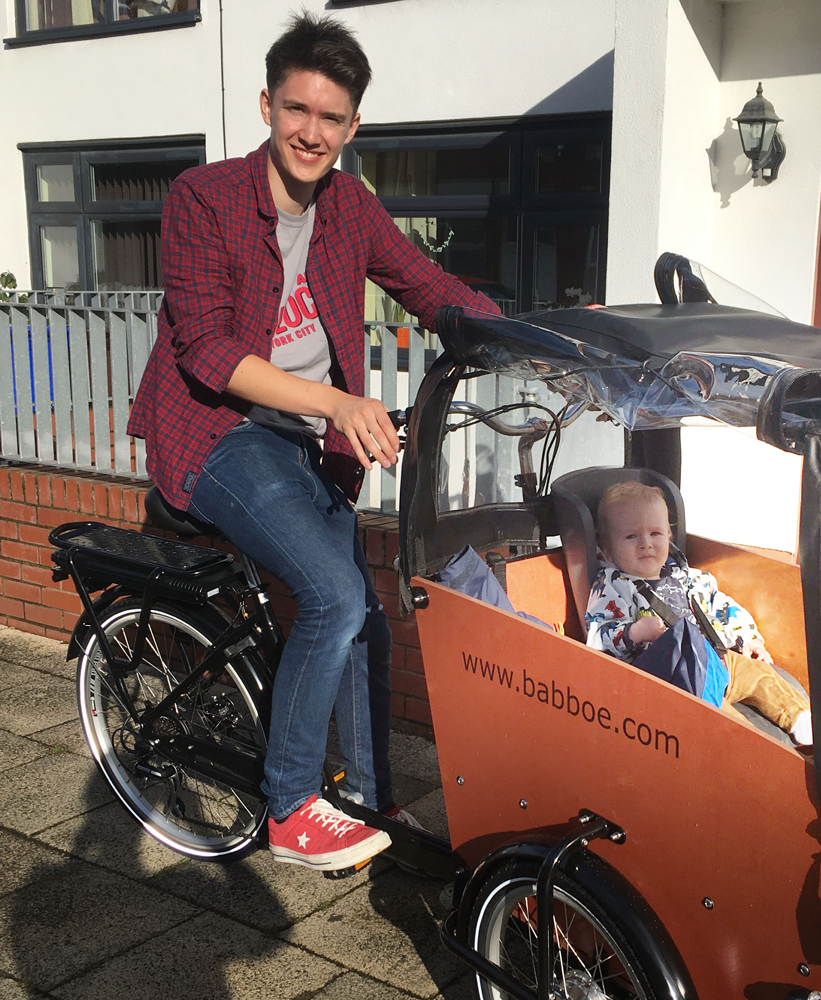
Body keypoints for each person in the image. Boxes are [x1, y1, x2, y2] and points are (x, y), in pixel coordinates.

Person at [128, 13, 499, 871]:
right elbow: (209, 350)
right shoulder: (203, 197)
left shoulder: (352, 206)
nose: (311, 132)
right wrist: (335, 403)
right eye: (297, 110)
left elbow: (428, 285)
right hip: (216, 431)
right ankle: (292, 803)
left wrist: (541, 337)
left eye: (331, 119)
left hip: (304, 441)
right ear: (267, 104)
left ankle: (369, 802)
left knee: (366, 615)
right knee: (333, 592)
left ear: (353, 127)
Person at [585, 482, 813, 745]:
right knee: (718, 717)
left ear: (669, 539)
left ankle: (799, 718)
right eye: (631, 537)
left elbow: (723, 606)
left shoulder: (689, 577)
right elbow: (597, 633)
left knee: (761, 676)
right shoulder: (611, 587)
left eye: (655, 533)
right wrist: (633, 632)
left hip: (720, 658)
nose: (646, 544)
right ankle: (753, 746)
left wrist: (748, 639)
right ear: (607, 548)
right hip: (675, 679)